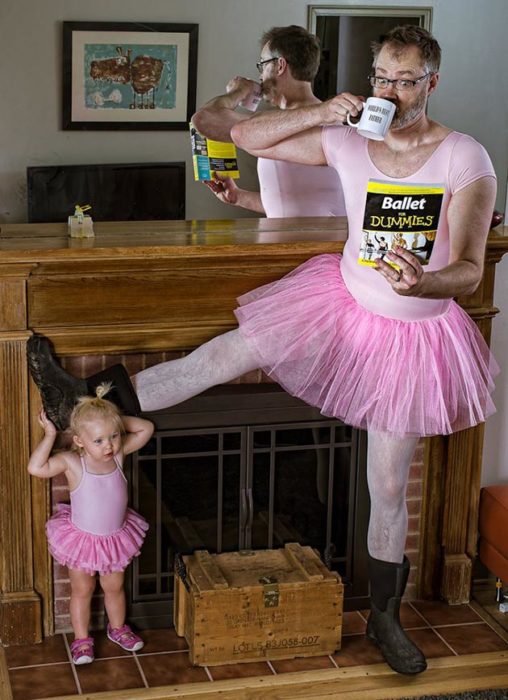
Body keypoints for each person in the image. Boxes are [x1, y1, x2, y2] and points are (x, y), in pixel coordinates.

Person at [27, 25, 497, 676]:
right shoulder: (347, 139)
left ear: (431, 82)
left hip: (412, 335)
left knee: (387, 485)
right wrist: (322, 110)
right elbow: (237, 136)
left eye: (405, 80)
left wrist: (425, 279)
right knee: (220, 357)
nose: (390, 90)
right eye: (382, 77)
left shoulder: (464, 157)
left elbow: (471, 269)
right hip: (337, 300)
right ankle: (81, 395)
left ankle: (386, 618)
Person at [27, 385, 154, 665]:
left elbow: (146, 428)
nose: (109, 445)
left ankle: (118, 628)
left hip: (115, 538)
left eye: (114, 436)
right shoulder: (73, 463)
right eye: (99, 440)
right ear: (80, 441)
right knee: (83, 590)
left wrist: (114, 420)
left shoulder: (118, 456)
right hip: (82, 540)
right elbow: (36, 468)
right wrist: (50, 435)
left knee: (114, 587)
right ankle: (81, 640)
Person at [191, 25, 346, 218]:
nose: (260, 75)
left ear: (279, 66)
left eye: (263, 64)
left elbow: (205, 119)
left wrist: (238, 91)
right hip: (287, 243)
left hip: (317, 246)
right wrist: (238, 197)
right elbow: (292, 203)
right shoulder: (273, 125)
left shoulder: (329, 127)